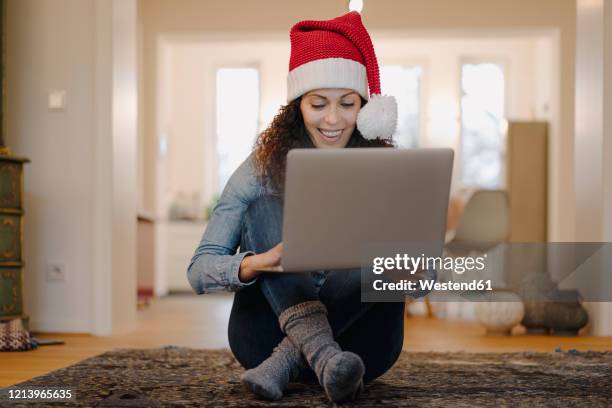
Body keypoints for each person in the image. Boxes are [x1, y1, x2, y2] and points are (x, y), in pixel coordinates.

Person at [187, 11, 432, 403]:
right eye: (318, 104)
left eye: (347, 104)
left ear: (365, 108)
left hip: (365, 348)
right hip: (261, 339)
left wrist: (408, 270)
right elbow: (198, 271)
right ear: (297, 105)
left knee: (373, 245)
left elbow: (427, 278)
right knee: (262, 208)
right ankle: (323, 359)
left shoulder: (387, 171)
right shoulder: (258, 170)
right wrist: (256, 263)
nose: (332, 119)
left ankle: (288, 363)